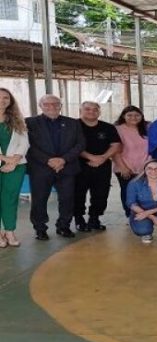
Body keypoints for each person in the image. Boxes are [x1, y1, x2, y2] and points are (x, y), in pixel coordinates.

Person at [25, 94, 85, 240]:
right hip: (41, 168)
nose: (51, 107)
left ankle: (63, 226)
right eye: (47, 104)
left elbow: (80, 144)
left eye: (55, 104)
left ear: (60, 106)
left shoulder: (73, 123)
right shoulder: (29, 122)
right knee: (39, 200)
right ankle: (40, 229)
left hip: (67, 167)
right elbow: (27, 146)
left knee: (67, 199)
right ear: (41, 106)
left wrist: (63, 160)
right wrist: (49, 160)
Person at [74, 101, 121, 232]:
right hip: (79, 166)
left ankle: (94, 219)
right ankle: (79, 219)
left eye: (95, 109)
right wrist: (91, 157)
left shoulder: (108, 127)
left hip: (102, 166)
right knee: (78, 193)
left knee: (101, 194)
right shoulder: (73, 126)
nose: (91, 111)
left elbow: (116, 145)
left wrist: (103, 158)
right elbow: (71, 145)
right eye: (87, 109)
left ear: (99, 112)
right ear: (80, 111)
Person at [0, 88, 29, 247]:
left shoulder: (17, 119)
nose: (2, 100)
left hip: (16, 166)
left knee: (10, 199)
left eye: (6, 97)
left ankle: (10, 231)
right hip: (7, 161)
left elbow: (24, 142)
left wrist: (14, 160)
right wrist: (5, 159)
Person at [113, 105, 150, 217]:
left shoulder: (147, 127)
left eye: (137, 115)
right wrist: (123, 168)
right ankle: (130, 214)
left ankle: (143, 214)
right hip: (124, 167)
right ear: (123, 116)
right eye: (129, 115)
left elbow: (152, 148)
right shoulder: (117, 129)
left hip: (145, 167)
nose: (133, 117)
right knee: (128, 191)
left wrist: (147, 166)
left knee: (143, 192)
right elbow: (114, 151)